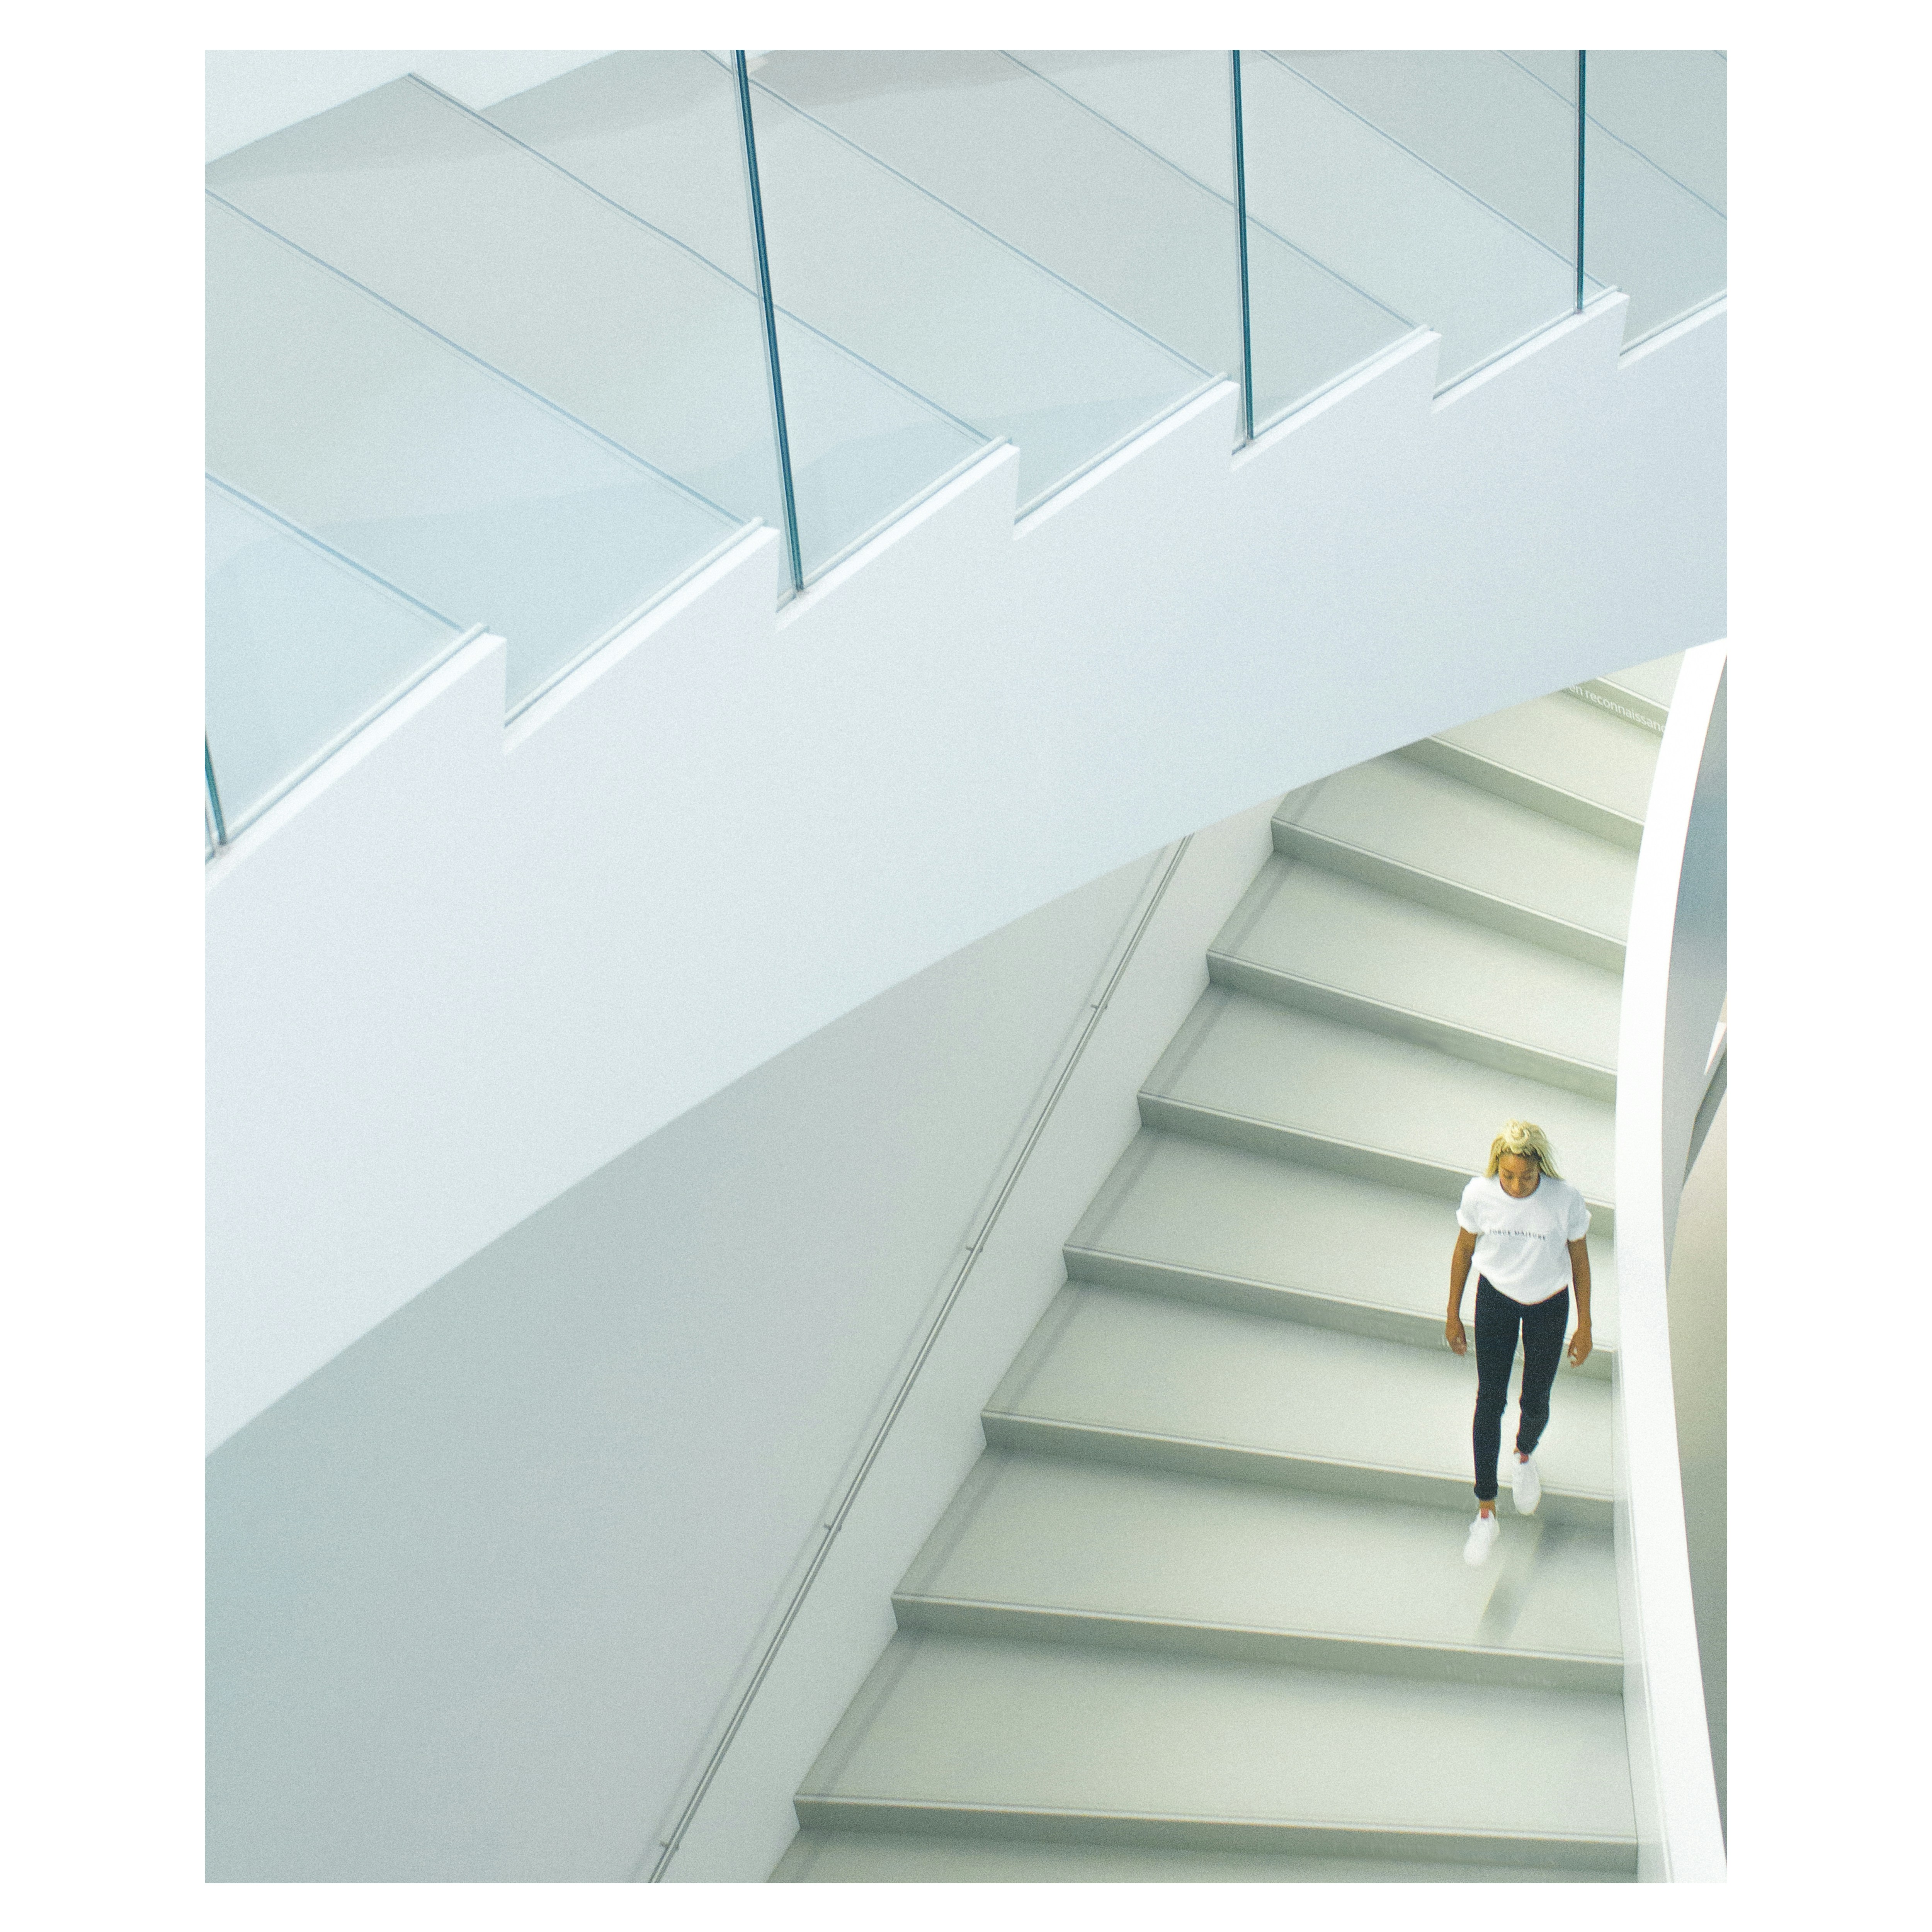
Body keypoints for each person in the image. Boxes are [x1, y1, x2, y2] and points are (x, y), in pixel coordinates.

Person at [1445, 1120, 1593, 1566]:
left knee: (1536, 1399)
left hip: (1548, 1303)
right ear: (1497, 1166)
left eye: (1525, 1177)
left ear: (1539, 1169)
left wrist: (1584, 1324)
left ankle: (1523, 1455)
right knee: (1489, 1400)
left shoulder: (1563, 1199)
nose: (1515, 1184)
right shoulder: (1479, 1194)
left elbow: (1579, 1260)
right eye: (1507, 1175)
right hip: (1496, 1299)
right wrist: (1451, 1312)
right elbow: (1463, 1249)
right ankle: (1486, 1510)